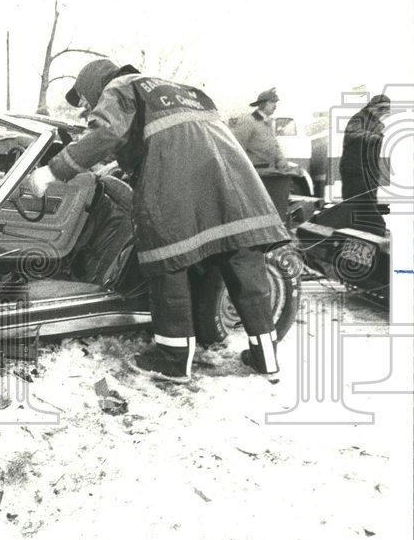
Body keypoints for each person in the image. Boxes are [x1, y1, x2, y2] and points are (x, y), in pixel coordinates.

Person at [23, 59, 291, 381]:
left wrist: (54, 171)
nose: (87, 108)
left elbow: (107, 132)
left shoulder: (119, 87)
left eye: (84, 100)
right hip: (235, 186)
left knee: (168, 262)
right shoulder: (186, 91)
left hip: (178, 192)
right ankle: (267, 359)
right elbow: (179, 137)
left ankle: (174, 360)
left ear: (94, 84)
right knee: (244, 265)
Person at [339, 94, 391, 236]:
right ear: (372, 106)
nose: (383, 112)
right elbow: (352, 133)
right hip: (354, 170)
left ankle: (367, 232)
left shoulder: (378, 124)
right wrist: (371, 136)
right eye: (381, 108)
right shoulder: (359, 118)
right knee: (353, 206)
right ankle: (358, 233)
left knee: (367, 204)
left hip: (370, 172)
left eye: (386, 109)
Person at [231, 88, 293, 172]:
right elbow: (238, 147)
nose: (275, 106)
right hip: (255, 170)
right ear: (263, 104)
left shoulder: (268, 121)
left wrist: (281, 160)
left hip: (269, 170)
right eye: (272, 102)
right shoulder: (248, 120)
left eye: (275, 102)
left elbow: (273, 145)